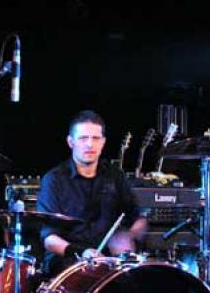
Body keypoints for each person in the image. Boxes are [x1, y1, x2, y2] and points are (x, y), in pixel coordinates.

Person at [36, 110, 147, 277]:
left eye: (95, 138)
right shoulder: (54, 180)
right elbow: (49, 239)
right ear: (71, 142)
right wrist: (82, 252)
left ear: (103, 142)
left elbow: (137, 218)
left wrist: (128, 236)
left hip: (107, 265)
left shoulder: (115, 176)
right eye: (83, 138)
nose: (89, 144)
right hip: (67, 265)